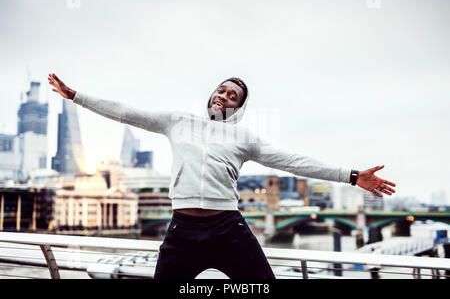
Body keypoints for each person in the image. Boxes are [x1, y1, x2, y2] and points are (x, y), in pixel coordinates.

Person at [48, 73, 396, 279]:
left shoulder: (244, 138)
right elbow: (127, 113)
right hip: (182, 231)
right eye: (221, 90)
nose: (224, 96)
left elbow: (293, 162)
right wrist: (77, 97)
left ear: (238, 108)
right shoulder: (177, 121)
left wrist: (351, 175)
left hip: (228, 229)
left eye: (233, 96)